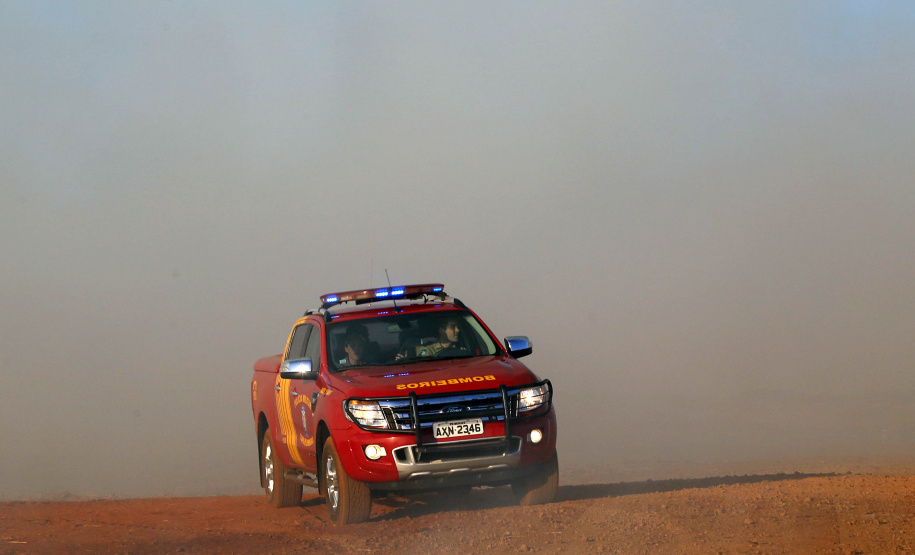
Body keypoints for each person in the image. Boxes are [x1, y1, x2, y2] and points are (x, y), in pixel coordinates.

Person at [396, 317, 466, 360]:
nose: (458, 330)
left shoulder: (462, 349)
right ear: (441, 330)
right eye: (452, 327)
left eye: (458, 327)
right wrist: (403, 361)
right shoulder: (421, 350)